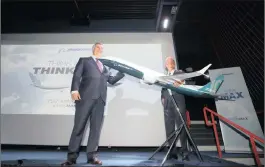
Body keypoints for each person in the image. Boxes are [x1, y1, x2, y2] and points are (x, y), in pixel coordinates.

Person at [61, 42, 125, 166]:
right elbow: (77, 75)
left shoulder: (104, 66)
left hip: (100, 100)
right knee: (78, 128)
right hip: (84, 99)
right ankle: (71, 158)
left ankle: (92, 157)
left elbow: (111, 80)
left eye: (102, 48)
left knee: (95, 130)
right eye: (98, 47)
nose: (100, 49)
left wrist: (121, 72)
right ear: (93, 49)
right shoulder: (84, 61)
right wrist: (74, 90)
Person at [161, 56, 189, 161]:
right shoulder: (164, 76)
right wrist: (163, 99)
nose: (169, 63)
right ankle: (172, 152)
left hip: (178, 103)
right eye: (167, 61)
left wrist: (181, 83)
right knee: (169, 129)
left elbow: (184, 81)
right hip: (168, 105)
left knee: (182, 127)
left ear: (173, 63)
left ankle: (185, 152)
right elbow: (163, 90)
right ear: (165, 65)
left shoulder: (179, 72)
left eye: (171, 61)